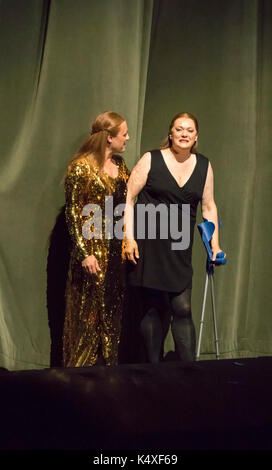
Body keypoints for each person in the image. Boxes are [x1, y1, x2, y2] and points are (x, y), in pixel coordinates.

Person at [124, 112, 225, 363]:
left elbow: (209, 207)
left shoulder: (203, 165)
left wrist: (215, 245)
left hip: (180, 247)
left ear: (196, 136)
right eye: (179, 129)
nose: (184, 134)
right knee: (153, 309)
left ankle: (189, 372)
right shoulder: (151, 159)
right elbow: (128, 198)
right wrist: (129, 237)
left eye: (189, 130)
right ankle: (153, 370)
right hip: (149, 243)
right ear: (170, 134)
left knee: (182, 308)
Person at [63, 111, 130, 367]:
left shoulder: (121, 166)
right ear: (109, 137)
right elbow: (72, 212)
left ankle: (108, 372)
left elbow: (130, 202)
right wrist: (84, 253)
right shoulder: (81, 167)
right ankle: (79, 376)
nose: (128, 138)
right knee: (87, 318)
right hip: (91, 253)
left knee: (111, 317)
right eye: (124, 134)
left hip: (115, 253)